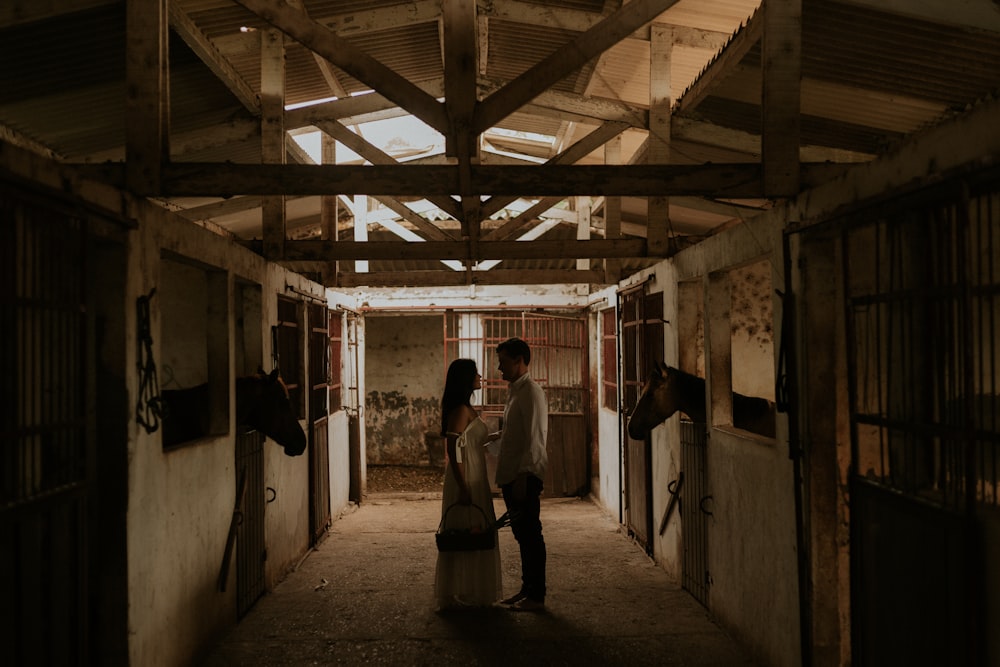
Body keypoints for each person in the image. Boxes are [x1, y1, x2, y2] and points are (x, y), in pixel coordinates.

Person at [433, 359, 502, 611]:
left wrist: (497, 436)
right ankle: (457, 593)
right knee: (464, 531)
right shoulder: (461, 410)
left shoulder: (466, 408)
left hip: (475, 475)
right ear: (465, 379)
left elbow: (472, 443)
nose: (480, 376)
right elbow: (453, 449)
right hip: (465, 475)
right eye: (475, 373)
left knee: (474, 530)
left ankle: (470, 590)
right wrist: (462, 486)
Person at [493, 337, 548, 612]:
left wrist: (524, 476)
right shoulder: (516, 390)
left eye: (503, 362)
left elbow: (535, 438)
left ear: (519, 360)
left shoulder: (531, 392)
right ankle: (528, 590)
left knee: (530, 536)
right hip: (513, 475)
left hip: (522, 476)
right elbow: (514, 434)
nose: (499, 368)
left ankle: (536, 596)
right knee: (522, 535)